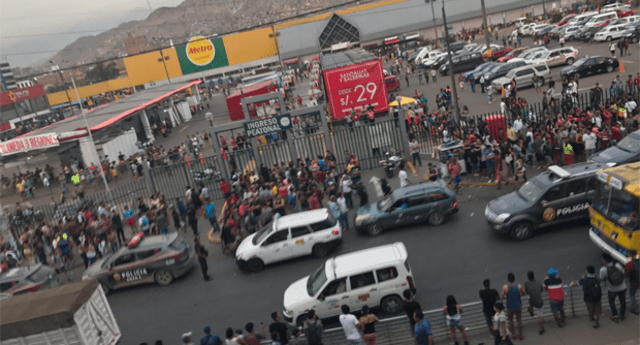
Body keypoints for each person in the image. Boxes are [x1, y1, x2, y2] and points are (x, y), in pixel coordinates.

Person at [600, 252, 627, 322]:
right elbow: (624, 272)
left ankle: (615, 316)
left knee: (612, 302)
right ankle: (622, 315)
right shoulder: (617, 265)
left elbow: (602, 278)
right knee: (623, 301)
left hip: (612, 289)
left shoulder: (603, 269)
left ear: (605, 260)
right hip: (622, 287)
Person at [501, 273, 525, 341]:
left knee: (510, 320)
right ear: (514, 279)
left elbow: (502, 296)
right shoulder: (519, 286)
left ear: (508, 280)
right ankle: (520, 335)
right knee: (519, 320)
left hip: (510, 306)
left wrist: (507, 297)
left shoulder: (505, 287)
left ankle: (513, 334)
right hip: (518, 306)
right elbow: (523, 292)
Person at [624, 249, 640, 314]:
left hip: (634, 282)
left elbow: (626, 275)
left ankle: (636, 309)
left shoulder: (629, 264)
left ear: (630, 254)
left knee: (632, 295)